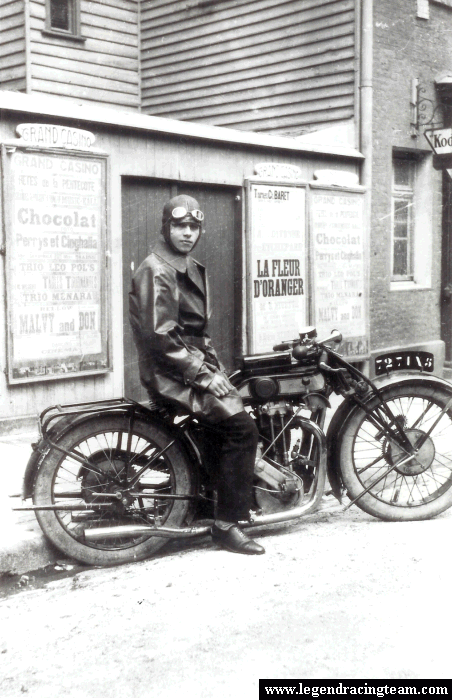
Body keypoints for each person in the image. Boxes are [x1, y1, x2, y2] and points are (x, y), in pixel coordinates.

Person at [129, 194, 264, 555]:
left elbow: (199, 334)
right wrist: (205, 377)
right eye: (179, 225)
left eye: (193, 226)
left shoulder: (186, 265)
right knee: (242, 429)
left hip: (186, 366)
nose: (187, 233)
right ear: (166, 227)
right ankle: (226, 524)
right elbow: (161, 338)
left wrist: (216, 370)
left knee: (228, 417)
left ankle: (209, 502)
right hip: (169, 371)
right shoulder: (156, 269)